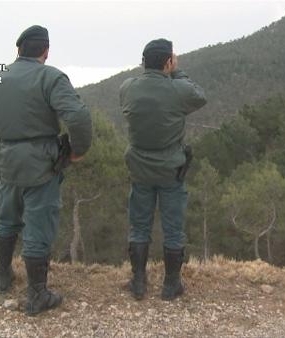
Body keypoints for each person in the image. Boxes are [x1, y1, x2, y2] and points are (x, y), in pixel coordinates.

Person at [0, 25, 92, 315]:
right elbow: (77, 116)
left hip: (7, 159)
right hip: (41, 162)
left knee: (7, 216)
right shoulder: (50, 77)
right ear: (45, 51)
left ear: (18, 50)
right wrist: (78, 150)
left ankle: (2, 275)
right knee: (38, 225)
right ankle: (37, 294)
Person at [119, 38, 207, 301]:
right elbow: (199, 96)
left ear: (144, 61)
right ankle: (171, 285)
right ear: (168, 61)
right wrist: (176, 71)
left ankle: (138, 282)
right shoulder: (177, 89)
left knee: (139, 225)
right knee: (173, 227)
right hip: (170, 170)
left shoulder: (127, 87)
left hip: (140, 168)